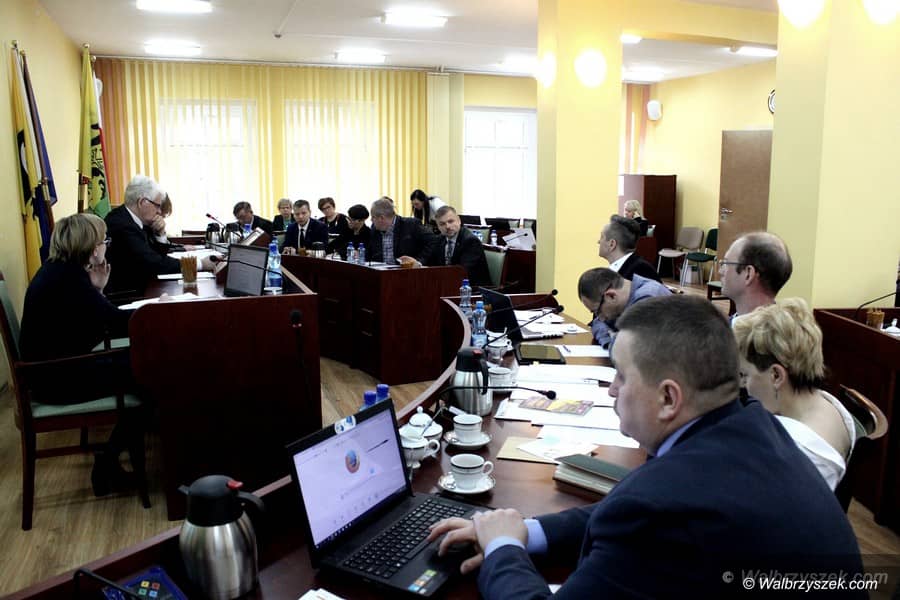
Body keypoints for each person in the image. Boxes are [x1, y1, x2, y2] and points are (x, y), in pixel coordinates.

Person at [427, 295, 864, 599]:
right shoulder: (754, 428)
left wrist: (503, 549)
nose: (612, 388)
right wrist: (525, 530)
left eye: (621, 374)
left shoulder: (661, 507)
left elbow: (643, 513)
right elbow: (618, 510)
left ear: (669, 398)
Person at [18, 213, 143, 496]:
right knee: (150, 373)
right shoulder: (69, 279)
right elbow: (114, 323)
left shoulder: (60, 271)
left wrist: (97, 290)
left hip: (52, 371)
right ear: (92, 247)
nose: (106, 246)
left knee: (144, 367)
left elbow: (93, 326)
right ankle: (108, 463)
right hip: (58, 379)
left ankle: (109, 461)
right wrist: (158, 311)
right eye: (104, 240)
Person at [733, 299, 855, 490]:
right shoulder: (826, 403)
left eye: (745, 375)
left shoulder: (796, 452)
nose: (743, 385)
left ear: (776, 375)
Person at [105, 175, 216, 296]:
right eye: (157, 205)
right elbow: (154, 263)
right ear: (142, 202)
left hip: (142, 286)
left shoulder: (133, 220)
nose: (159, 211)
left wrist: (160, 233)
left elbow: (157, 256)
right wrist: (200, 264)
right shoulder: (121, 225)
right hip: (129, 294)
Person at [578, 267, 670, 347]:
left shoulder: (648, 299)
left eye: (598, 311)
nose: (601, 318)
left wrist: (615, 341)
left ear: (611, 296)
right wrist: (610, 339)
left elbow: (631, 349)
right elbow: (597, 324)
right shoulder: (620, 303)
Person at [719, 231, 793, 322]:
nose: (720, 271)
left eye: (726, 263)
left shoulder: (726, 330)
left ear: (748, 274)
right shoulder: (785, 327)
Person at [423, 205, 491, 286]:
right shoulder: (439, 239)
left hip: (472, 288)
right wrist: (418, 265)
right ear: (438, 227)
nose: (447, 226)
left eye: (451, 221)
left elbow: (462, 272)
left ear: (459, 220)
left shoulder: (470, 241)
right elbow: (430, 263)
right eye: (442, 224)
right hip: (448, 284)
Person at [369, 197, 438, 265]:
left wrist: (419, 261)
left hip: (406, 270)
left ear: (381, 218)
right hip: (381, 271)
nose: (371, 220)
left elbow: (433, 241)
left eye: (373, 217)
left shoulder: (411, 225)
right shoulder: (374, 230)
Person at [597, 215, 661, 283]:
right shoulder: (621, 269)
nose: (598, 241)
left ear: (612, 244)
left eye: (602, 237)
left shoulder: (642, 271)